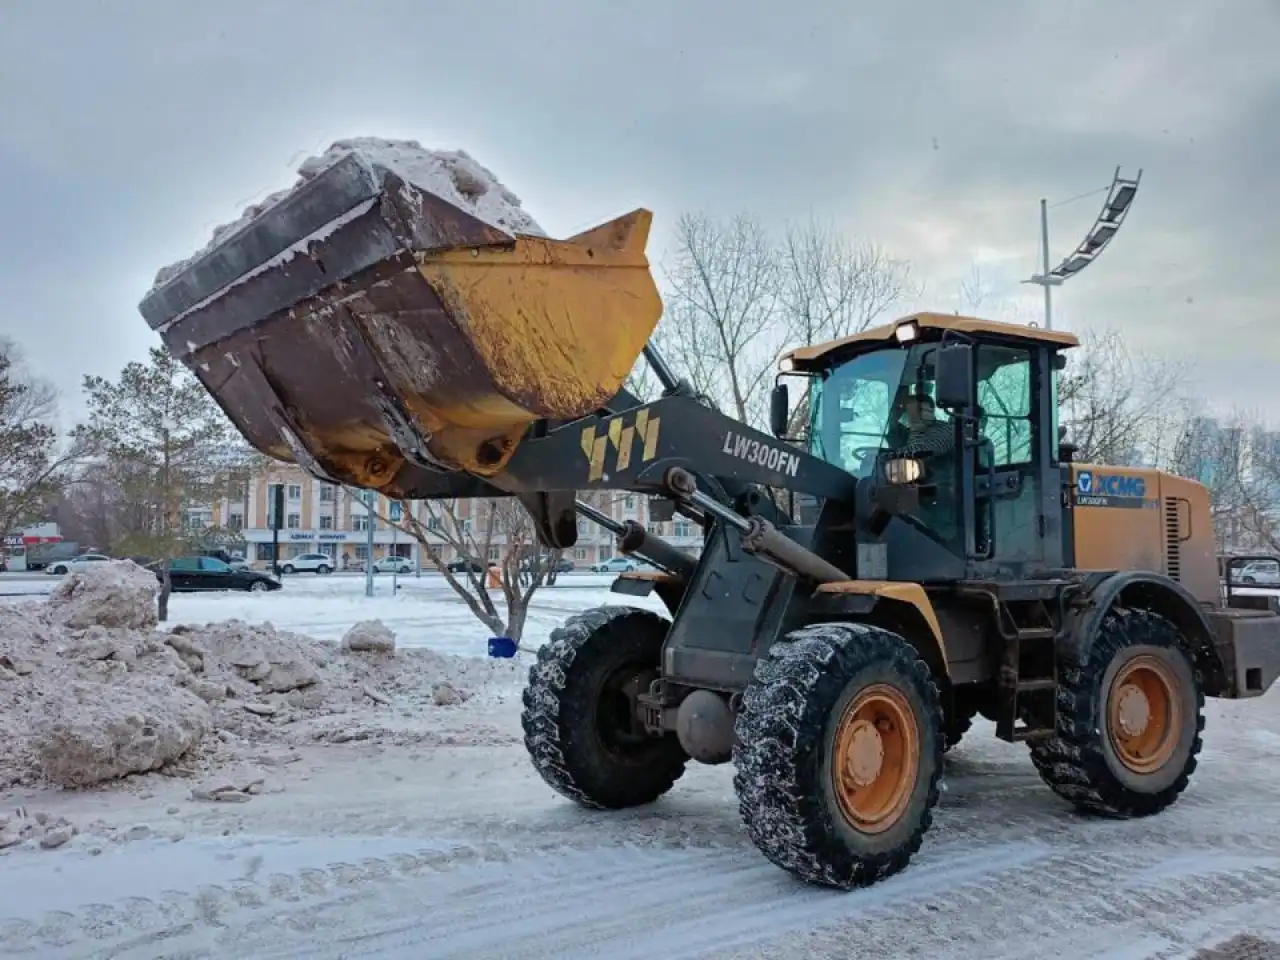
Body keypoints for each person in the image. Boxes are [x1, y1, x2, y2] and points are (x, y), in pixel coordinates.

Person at [895, 393, 955, 459]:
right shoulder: (904, 433)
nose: (908, 415)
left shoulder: (947, 430)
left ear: (930, 411)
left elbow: (921, 452)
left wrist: (917, 430)